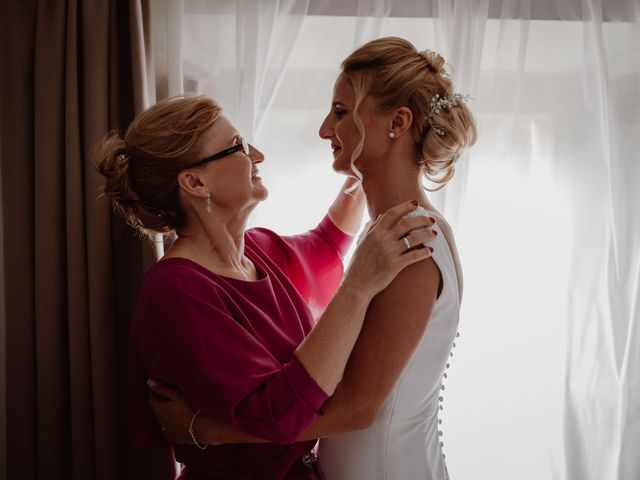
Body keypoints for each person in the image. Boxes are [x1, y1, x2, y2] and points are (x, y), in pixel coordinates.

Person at [148, 37, 477, 480]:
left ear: (397, 123)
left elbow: (357, 408)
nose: (325, 129)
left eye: (340, 112)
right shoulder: (389, 236)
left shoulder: (409, 244)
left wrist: (212, 430)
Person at [96, 93, 437, 479]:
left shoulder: (258, 250)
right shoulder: (175, 293)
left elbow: (325, 245)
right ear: (194, 182)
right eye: (237, 146)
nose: (257, 155)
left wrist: (368, 169)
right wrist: (358, 282)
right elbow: (280, 415)